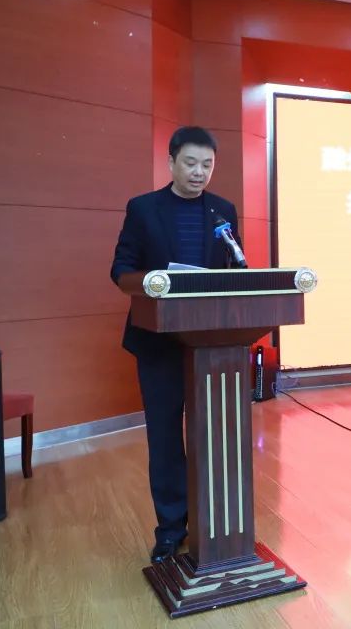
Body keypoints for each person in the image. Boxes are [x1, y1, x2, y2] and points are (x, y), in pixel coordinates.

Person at [110, 126, 242, 563]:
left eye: (207, 165)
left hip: (211, 345)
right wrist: (153, 284)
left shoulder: (222, 211)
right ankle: (170, 528)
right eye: (190, 163)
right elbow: (121, 268)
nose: (199, 172)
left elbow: (234, 271)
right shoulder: (143, 209)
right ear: (171, 163)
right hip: (159, 342)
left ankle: (214, 521)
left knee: (212, 434)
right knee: (165, 437)